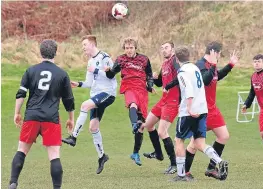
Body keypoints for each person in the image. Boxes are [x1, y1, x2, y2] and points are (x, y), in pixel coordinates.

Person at [165, 41, 238, 180]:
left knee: (200, 141)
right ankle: (191, 171)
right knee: (195, 144)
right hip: (203, 109)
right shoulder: (199, 65)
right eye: (219, 53)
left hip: (201, 108)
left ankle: (204, 169)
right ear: (214, 52)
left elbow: (215, 77)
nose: (220, 56)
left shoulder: (197, 67)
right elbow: (205, 80)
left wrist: (230, 65)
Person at [8, 39, 75, 189]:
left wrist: (16, 113)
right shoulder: (62, 74)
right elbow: (68, 100)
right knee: (54, 155)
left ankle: (13, 182)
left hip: (31, 116)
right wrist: (71, 118)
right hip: (51, 118)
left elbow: (21, 94)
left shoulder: (30, 70)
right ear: (55, 53)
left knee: (22, 150)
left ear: (40, 52)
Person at [62, 35, 117, 174]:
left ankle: (73, 137)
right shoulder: (90, 62)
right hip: (96, 94)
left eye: (85, 45)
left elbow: (112, 75)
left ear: (92, 44)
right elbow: (88, 82)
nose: (83, 48)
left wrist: (97, 70)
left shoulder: (104, 57)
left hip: (108, 93)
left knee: (84, 106)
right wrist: (78, 84)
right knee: (93, 127)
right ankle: (102, 156)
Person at [105, 37, 154, 166]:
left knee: (142, 126)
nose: (129, 50)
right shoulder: (121, 59)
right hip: (129, 86)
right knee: (132, 104)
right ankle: (134, 124)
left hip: (141, 89)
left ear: (135, 48)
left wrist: (150, 85)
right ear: (124, 48)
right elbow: (111, 75)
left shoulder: (144, 59)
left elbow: (149, 74)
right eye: (127, 48)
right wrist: (108, 71)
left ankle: (135, 153)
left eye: (131, 48)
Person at [142, 41, 180, 174]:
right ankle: (158, 153)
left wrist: (169, 86)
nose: (164, 50)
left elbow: (180, 76)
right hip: (163, 100)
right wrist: (154, 79)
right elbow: (160, 83)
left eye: (167, 47)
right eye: (162, 48)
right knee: (148, 124)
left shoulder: (175, 61)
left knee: (162, 132)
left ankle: (174, 164)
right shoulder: (164, 64)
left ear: (173, 50)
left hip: (173, 102)